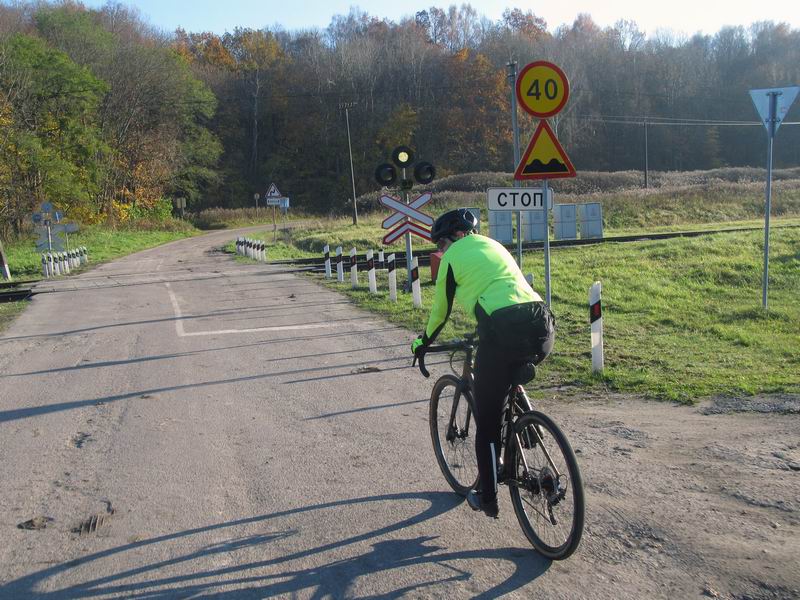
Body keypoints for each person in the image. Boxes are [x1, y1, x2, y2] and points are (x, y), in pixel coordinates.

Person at [411, 208, 555, 518]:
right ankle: (529, 430)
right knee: (507, 378)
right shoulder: (493, 244)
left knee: (488, 424)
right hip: (541, 322)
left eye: (441, 245)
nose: (441, 251)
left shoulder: (451, 258)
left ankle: (487, 496)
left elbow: (440, 311)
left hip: (502, 328)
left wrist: (423, 343)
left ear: (453, 237)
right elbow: (501, 290)